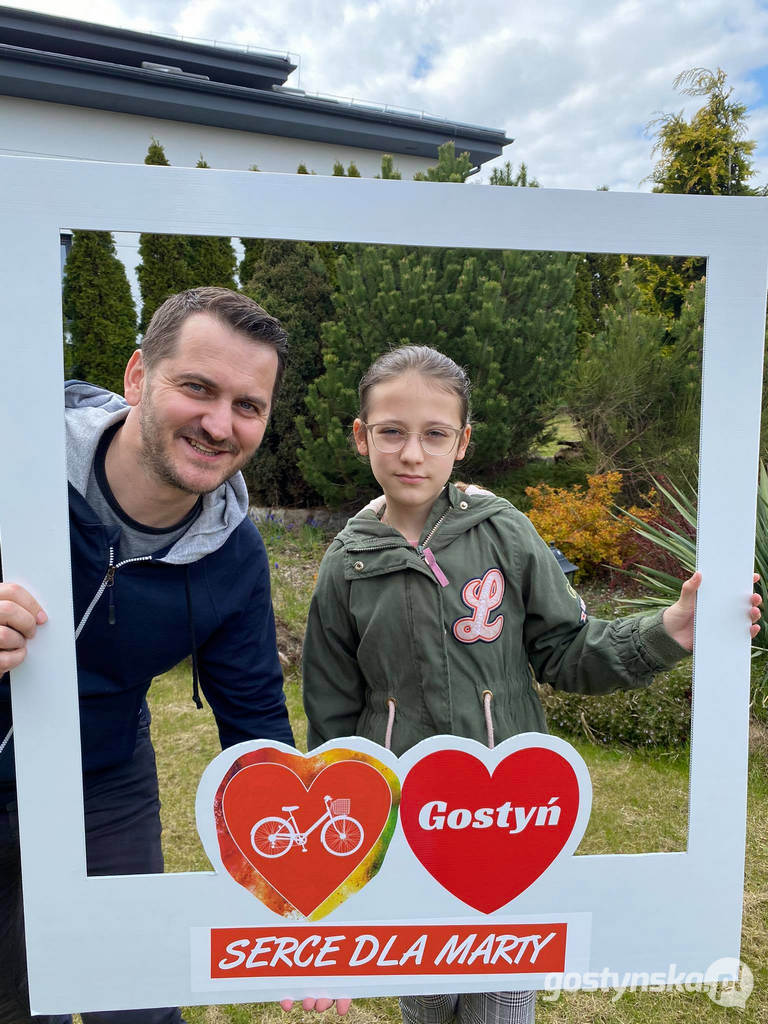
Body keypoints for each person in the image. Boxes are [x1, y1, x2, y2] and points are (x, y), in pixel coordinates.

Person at [301, 345, 762, 1024]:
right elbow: (332, 720)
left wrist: (671, 629)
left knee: (501, 994)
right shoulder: (345, 565)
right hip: (405, 821)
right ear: (361, 434)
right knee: (427, 993)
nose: (411, 453)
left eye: (434, 434)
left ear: (462, 442)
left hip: (508, 815)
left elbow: (567, 649)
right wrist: (340, 853)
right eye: (391, 431)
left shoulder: (504, 533)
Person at [0, 287, 295, 1024]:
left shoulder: (232, 554)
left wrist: (299, 905)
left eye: (248, 405)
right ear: (138, 377)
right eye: (196, 387)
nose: (219, 424)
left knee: (134, 997)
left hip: (101, 780)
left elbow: (255, 729)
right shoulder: (17, 459)